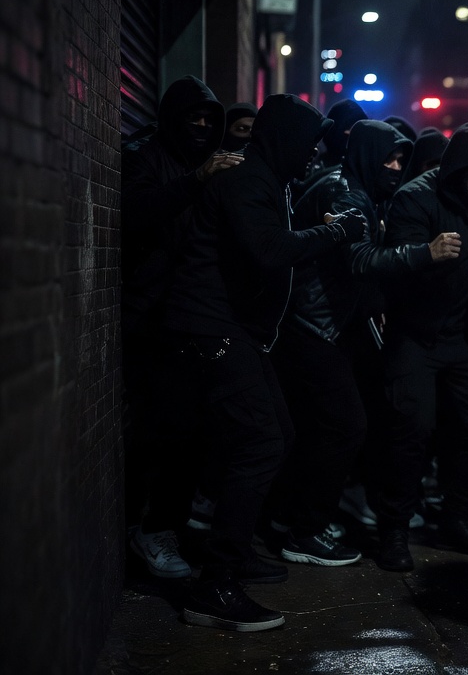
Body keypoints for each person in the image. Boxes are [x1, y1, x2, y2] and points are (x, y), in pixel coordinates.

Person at [163, 94, 367, 631]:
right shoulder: (245, 179)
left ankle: (237, 550)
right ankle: (215, 584)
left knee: (278, 433)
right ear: (286, 141)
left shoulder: (266, 177)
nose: (314, 154)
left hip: (234, 331)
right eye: (309, 144)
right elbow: (271, 250)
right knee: (262, 441)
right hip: (212, 329)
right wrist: (336, 231)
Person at [270, 120, 460, 567]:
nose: (395, 167)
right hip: (313, 326)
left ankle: (291, 516)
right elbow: (358, 261)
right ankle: (306, 530)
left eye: (400, 160)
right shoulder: (346, 193)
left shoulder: (355, 188)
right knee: (344, 426)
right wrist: (424, 253)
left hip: (326, 325)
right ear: (368, 154)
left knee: (321, 427)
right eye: (389, 158)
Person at [375, 122, 468, 572]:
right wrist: (427, 254)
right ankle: (394, 528)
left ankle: (457, 515)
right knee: (411, 428)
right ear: (455, 169)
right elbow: (391, 264)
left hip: (464, 337)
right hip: (416, 334)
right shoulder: (416, 198)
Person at [121, 76, 234, 580]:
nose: (204, 127)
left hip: (194, 315)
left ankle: (167, 524)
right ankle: (149, 530)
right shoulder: (150, 157)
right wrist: (197, 181)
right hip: (153, 315)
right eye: (195, 117)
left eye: (212, 119)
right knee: (162, 431)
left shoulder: (206, 161)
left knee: (195, 430)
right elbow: (136, 214)